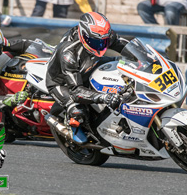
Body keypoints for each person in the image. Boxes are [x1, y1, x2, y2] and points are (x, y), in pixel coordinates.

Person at [45, 12, 132, 143]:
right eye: (95, 42)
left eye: (104, 42)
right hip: (62, 81)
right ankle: (73, 127)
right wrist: (104, 97)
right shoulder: (69, 53)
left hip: (90, 64)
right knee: (79, 112)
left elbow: (127, 47)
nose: (101, 46)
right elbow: (75, 90)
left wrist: (146, 59)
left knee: (123, 66)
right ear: (84, 36)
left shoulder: (103, 35)